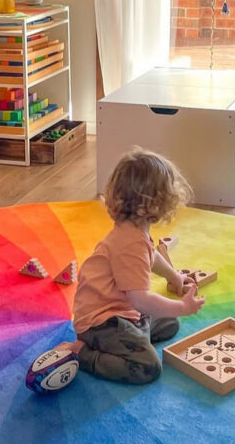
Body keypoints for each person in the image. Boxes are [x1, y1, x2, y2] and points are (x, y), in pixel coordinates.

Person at [66, 148, 205, 384]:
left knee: (170, 323)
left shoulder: (135, 230)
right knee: (147, 367)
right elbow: (141, 300)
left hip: (123, 311)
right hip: (101, 322)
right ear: (149, 206)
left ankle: (132, 338)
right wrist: (182, 306)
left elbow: (152, 256)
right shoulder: (130, 244)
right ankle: (82, 352)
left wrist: (174, 277)